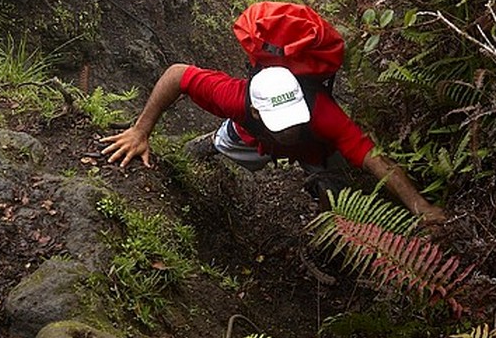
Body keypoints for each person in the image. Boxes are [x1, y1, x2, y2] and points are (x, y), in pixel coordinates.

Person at [100, 62, 445, 226]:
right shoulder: (235, 98)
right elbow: (177, 75)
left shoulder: (324, 117)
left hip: (315, 151)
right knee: (224, 144)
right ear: (254, 109)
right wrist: (141, 131)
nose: (289, 129)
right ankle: (205, 145)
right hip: (251, 138)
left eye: (294, 121)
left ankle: (330, 235)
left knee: (338, 203)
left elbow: (374, 158)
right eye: (282, 124)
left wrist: (419, 205)